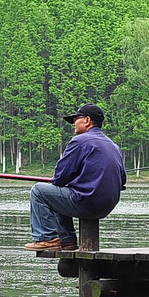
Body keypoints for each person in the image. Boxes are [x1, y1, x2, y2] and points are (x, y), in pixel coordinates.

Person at [25, 104, 127, 251]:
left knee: (39, 191)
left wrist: (70, 182)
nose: (73, 123)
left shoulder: (80, 141)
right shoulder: (114, 146)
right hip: (106, 207)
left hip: (88, 203)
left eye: (75, 119)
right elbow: (122, 182)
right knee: (57, 192)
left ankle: (46, 238)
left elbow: (60, 177)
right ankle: (67, 241)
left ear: (87, 120)